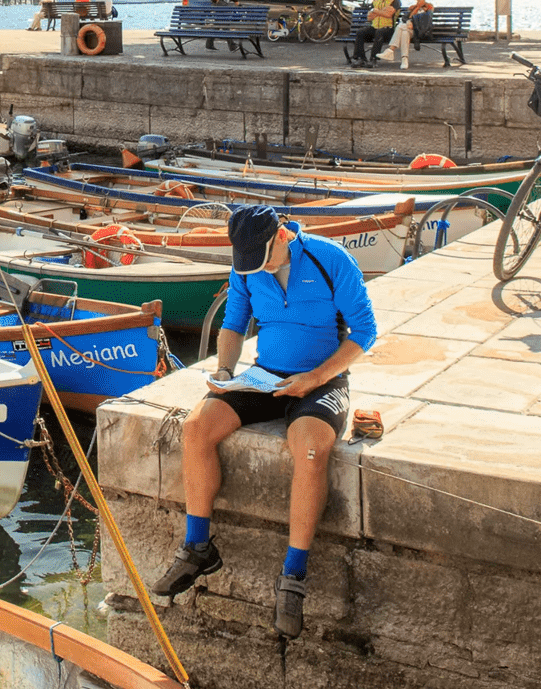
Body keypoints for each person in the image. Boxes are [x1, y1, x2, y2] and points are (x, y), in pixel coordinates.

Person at [151, 205, 376, 639]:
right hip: (264, 376)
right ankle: (198, 547)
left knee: (309, 448)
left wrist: (313, 378)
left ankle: (293, 576)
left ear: (283, 236)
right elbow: (234, 324)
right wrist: (223, 371)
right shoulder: (247, 267)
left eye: (263, 258)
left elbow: (364, 332)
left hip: (321, 380)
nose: (256, 269)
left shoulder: (332, 260)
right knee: (196, 426)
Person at [347, 0, 398, 68]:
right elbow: (369, 17)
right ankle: (360, 58)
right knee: (361, 32)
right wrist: (382, 11)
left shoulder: (395, 0)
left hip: (388, 28)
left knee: (380, 32)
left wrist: (376, 11)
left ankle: (373, 59)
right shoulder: (376, 0)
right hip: (374, 26)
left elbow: (389, 14)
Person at [383, 0, 435, 68]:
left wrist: (410, 21)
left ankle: (391, 50)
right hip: (410, 31)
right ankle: (404, 60)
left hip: (421, 31)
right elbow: (408, 18)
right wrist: (416, 8)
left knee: (401, 27)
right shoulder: (412, 7)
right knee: (404, 32)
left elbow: (426, 18)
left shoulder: (429, 6)